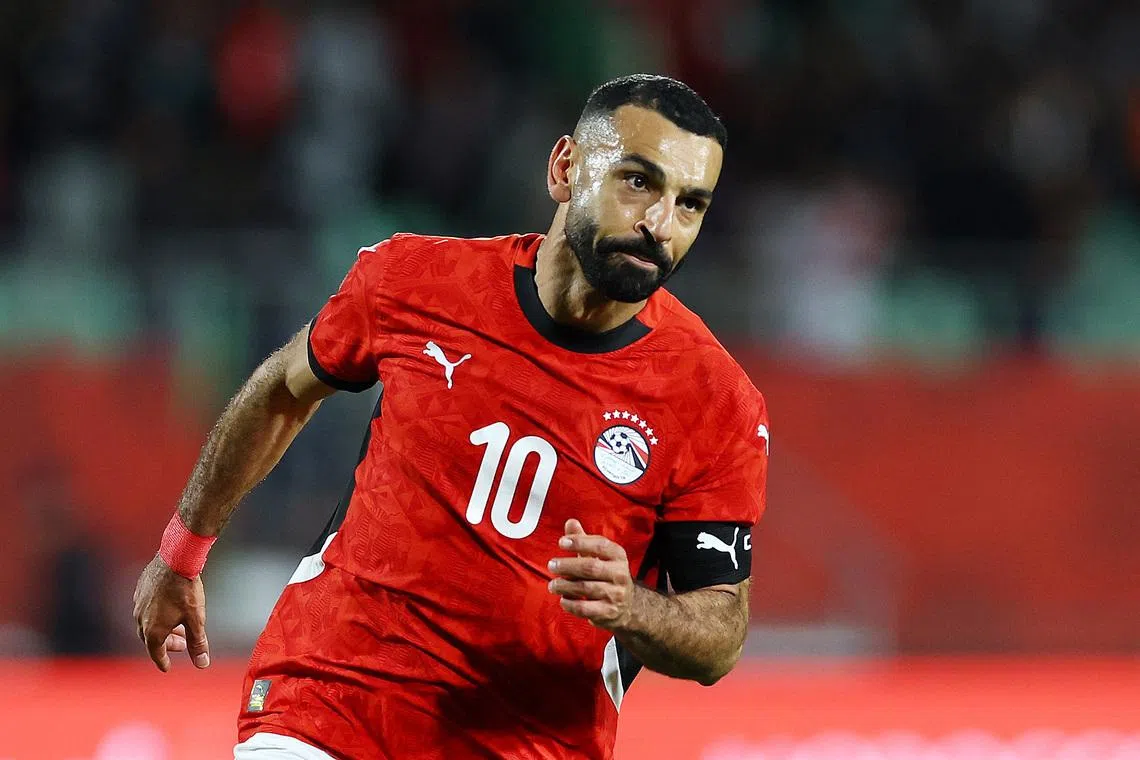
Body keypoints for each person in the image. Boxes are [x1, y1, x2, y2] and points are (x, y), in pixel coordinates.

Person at [133, 74, 770, 760]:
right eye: (638, 182)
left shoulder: (715, 400)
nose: (660, 223)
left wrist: (633, 607)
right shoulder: (415, 280)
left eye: (690, 204)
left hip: (526, 742)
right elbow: (280, 392)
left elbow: (720, 632)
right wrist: (182, 553)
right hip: (329, 701)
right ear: (564, 169)